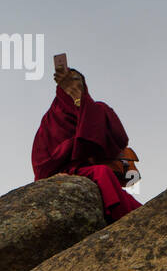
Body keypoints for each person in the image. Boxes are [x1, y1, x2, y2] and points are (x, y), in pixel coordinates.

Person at [31, 65, 142, 222]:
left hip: (90, 168)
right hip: (65, 171)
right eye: (69, 81)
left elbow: (120, 138)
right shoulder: (52, 118)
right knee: (102, 173)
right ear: (60, 88)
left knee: (124, 195)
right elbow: (41, 158)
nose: (74, 84)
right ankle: (118, 219)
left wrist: (81, 101)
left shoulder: (98, 109)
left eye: (77, 80)